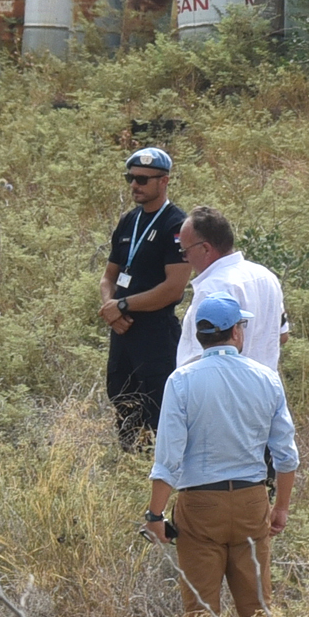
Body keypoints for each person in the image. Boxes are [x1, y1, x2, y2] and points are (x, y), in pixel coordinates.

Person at [145, 294, 297, 617]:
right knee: (256, 612)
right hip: (252, 502)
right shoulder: (265, 377)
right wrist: (281, 505)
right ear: (236, 332)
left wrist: (155, 513)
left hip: (200, 506)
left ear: (199, 334)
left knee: (201, 614)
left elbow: (168, 457)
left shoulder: (183, 380)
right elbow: (285, 455)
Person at [97, 147, 189, 450]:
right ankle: (128, 465)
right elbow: (108, 277)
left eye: (142, 180)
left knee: (158, 408)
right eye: (131, 178)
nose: (135, 185)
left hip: (156, 335)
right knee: (123, 402)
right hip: (123, 333)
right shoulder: (128, 221)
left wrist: (122, 305)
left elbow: (173, 288)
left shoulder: (176, 225)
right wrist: (110, 308)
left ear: (164, 181)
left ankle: (160, 473)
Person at [175, 206, 288, 371]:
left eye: (185, 252)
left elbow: (200, 359)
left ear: (205, 248)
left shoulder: (211, 288)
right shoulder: (266, 276)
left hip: (221, 391)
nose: (185, 259)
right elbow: (282, 335)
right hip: (265, 389)